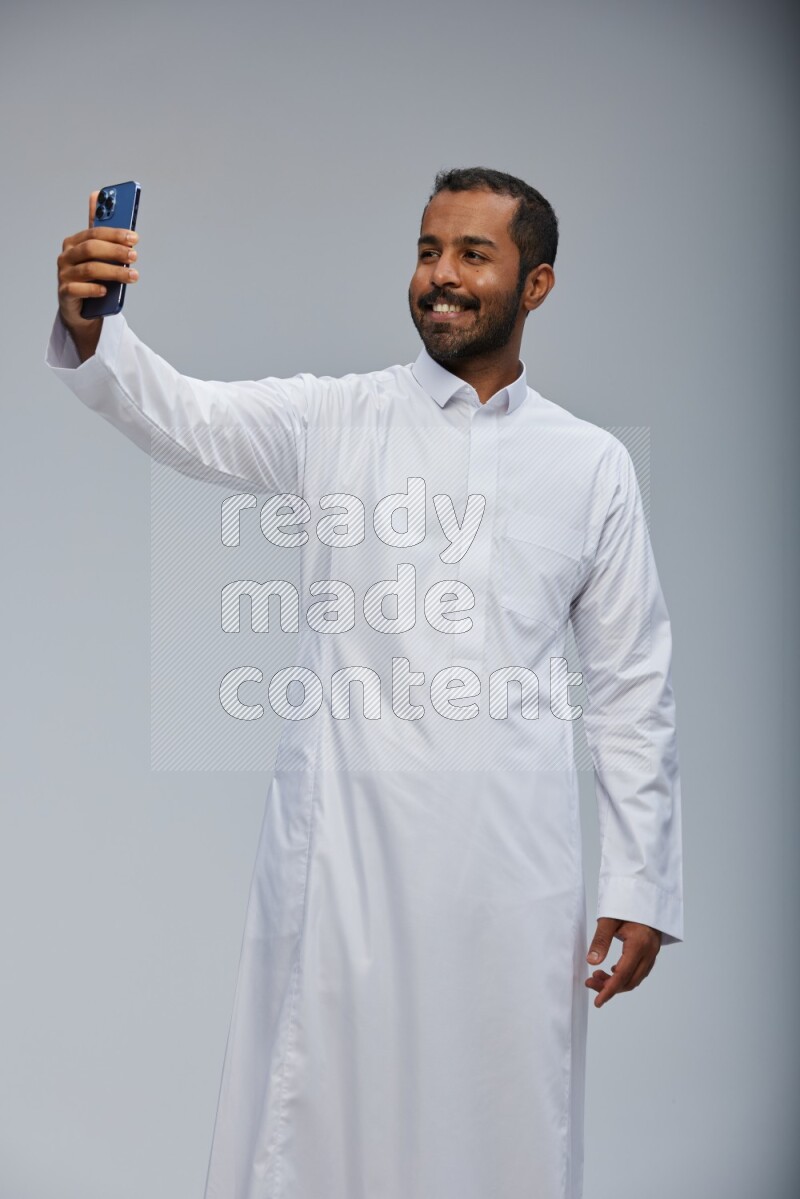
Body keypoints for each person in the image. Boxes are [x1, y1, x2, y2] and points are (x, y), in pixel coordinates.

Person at [46, 167, 683, 1199]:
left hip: (513, 866)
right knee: (320, 1122)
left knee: (503, 1118)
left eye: (472, 254)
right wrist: (93, 328)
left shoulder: (590, 464)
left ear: (537, 284)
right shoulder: (337, 419)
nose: (440, 275)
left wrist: (639, 881)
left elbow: (630, 684)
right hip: (345, 857)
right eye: (428, 250)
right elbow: (185, 416)